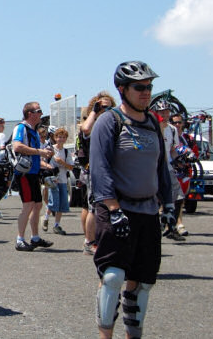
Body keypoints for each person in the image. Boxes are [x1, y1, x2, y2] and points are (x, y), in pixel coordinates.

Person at [90, 61, 175, 339]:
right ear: (122, 89)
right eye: (139, 87)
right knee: (113, 277)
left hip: (147, 211)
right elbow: (100, 168)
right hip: (117, 209)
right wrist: (113, 209)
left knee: (142, 283)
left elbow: (161, 167)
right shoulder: (109, 121)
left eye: (149, 86)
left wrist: (168, 204)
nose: (146, 92)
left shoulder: (152, 123)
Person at [77, 91, 117, 255]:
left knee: (108, 206)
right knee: (94, 207)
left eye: (109, 107)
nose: (105, 110)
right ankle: (89, 242)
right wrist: (94, 112)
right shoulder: (92, 124)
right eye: (102, 107)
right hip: (94, 171)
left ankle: (102, 239)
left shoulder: (113, 123)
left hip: (112, 170)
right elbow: (85, 129)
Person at [11, 102, 55, 252]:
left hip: (34, 172)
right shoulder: (21, 128)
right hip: (24, 174)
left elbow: (34, 153)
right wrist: (40, 152)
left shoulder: (34, 131)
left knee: (37, 205)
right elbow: (17, 146)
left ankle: (35, 237)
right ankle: (19, 239)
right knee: (28, 205)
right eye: (39, 111)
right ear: (30, 114)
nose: (41, 114)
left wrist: (44, 161)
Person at [150, 100, 183, 242]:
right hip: (153, 168)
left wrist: (179, 160)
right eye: (161, 112)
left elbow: (172, 150)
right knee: (155, 199)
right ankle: (155, 228)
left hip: (167, 168)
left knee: (178, 197)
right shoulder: (151, 127)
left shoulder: (172, 129)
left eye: (167, 112)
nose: (164, 115)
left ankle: (172, 227)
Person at [44, 128, 73, 235]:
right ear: (55, 138)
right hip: (52, 180)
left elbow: (71, 167)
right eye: (59, 137)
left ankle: (56, 225)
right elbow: (43, 162)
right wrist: (50, 167)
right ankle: (46, 218)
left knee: (61, 203)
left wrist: (62, 162)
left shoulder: (66, 152)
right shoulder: (50, 149)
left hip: (63, 180)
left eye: (63, 137)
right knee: (53, 201)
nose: (61, 139)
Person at [168, 114, 191, 237]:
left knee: (180, 198)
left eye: (179, 122)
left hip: (183, 171)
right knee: (171, 198)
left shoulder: (187, 138)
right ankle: (175, 224)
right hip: (169, 170)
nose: (177, 124)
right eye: (174, 122)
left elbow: (194, 152)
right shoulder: (167, 132)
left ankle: (175, 224)